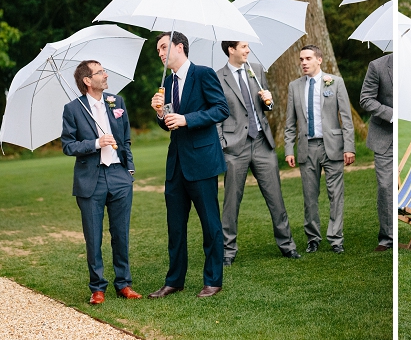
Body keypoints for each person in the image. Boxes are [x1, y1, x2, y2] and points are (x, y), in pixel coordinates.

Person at [148, 31, 229, 299]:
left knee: (210, 225)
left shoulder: (204, 74)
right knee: (175, 227)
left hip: (202, 162)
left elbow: (221, 109)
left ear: (179, 47)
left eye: (163, 47)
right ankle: (174, 281)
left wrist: (187, 119)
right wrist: (161, 114)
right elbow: (170, 121)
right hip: (176, 165)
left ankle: (213, 280)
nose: (160, 53)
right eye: (158, 49)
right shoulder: (167, 83)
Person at [61, 60, 142, 304]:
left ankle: (123, 284)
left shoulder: (117, 102)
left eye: (104, 71)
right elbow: (68, 146)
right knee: (93, 236)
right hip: (90, 180)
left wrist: (129, 170)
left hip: (119, 176)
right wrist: (96, 143)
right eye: (100, 72)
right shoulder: (72, 109)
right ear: (87, 80)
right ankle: (97, 288)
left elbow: (126, 138)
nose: (106, 75)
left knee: (121, 233)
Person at [215, 41, 301, 265]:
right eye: (243, 46)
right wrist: (223, 143)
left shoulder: (257, 70)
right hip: (235, 148)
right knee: (231, 202)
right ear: (231, 49)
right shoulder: (217, 77)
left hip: (263, 143)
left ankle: (287, 245)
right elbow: (216, 113)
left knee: (276, 198)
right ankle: (228, 251)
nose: (247, 50)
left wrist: (269, 102)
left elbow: (265, 107)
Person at [284, 45, 355, 254]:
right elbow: (290, 122)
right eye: (301, 59)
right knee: (309, 196)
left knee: (336, 195)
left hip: (332, 145)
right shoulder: (294, 86)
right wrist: (289, 149)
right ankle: (313, 238)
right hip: (307, 147)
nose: (303, 63)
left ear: (319, 60)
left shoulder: (335, 82)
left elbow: (347, 119)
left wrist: (349, 147)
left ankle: (336, 239)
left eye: (307, 58)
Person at [359, 53, 393, 252]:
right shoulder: (377, 66)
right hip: (383, 136)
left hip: (405, 135)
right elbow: (366, 99)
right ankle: (387, 238)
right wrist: (390, 114)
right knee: (385, 185)